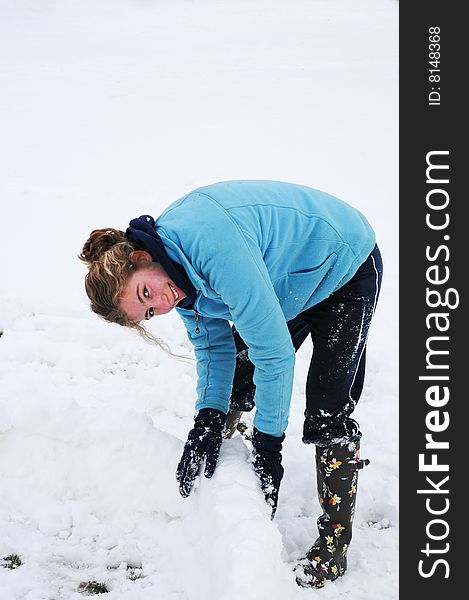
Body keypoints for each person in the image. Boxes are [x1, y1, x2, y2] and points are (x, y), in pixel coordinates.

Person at [79, 180, 383, 588]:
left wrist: (269, 447)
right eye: (149, 311)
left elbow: (275, 356)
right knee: (239, 374)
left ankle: (334, 543)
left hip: (345, 264)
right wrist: (207, 417)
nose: (162, 304)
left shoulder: (210, 246)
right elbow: (212, 347)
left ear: (141, 256)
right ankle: (223, 451)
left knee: (327, 411)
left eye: (146, 292)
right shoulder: (175, 277)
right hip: (287, 281)